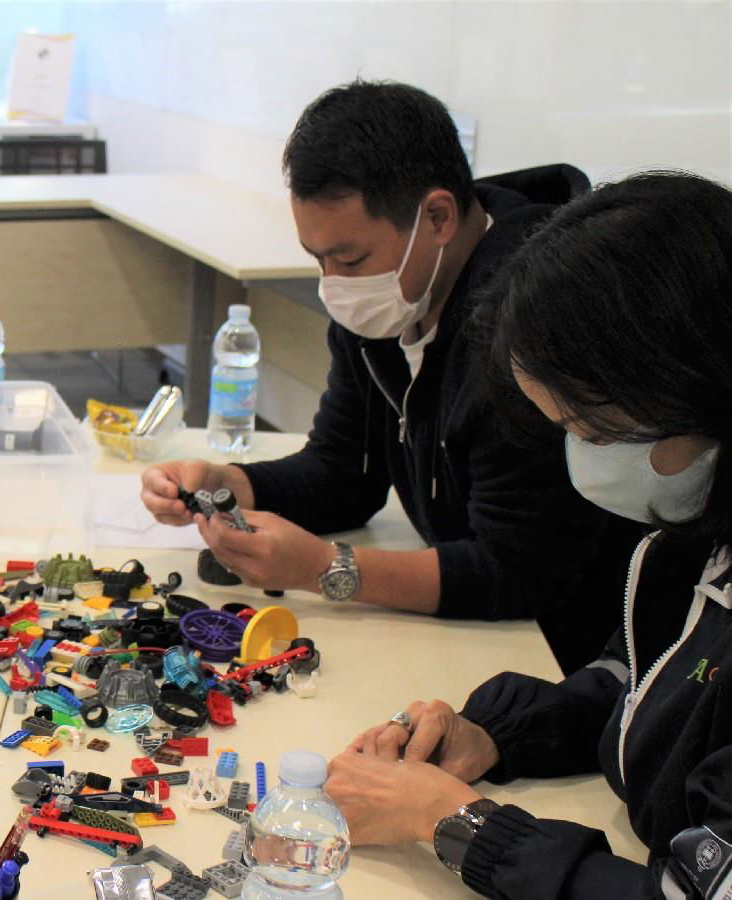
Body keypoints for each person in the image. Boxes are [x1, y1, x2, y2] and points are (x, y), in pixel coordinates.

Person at [323, 171, 732, 899]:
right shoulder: (695, 531)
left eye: (595, 432)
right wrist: (498, 734)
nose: (582, 460)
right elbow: (645, 687)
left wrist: (457, 824)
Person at [140, 80, 641, 673]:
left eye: (350, 259)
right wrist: (226, 485)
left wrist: (325, 569)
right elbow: (344, 472)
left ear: (438, 217)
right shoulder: (391, 299)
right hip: (472, 626)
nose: (333, 284)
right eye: (317, 258)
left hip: (566, 657)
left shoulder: (536, 326)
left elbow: (520, 572)